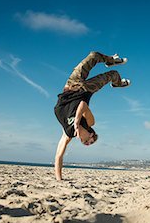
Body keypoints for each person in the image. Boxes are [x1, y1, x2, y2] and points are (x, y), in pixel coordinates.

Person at [53, 51, 130, 180]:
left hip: (71, 87)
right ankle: (111, 62)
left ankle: (116, 83)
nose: (87, 144)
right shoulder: (90, 123)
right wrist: (77, 122)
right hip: (85, 88)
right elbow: (83, 104)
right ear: (91, 133)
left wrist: (59, 180)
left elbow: (58, 156)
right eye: (90, 141)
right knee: (94, 56)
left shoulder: (68, 133)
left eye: (88, 144)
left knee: (114, 74)